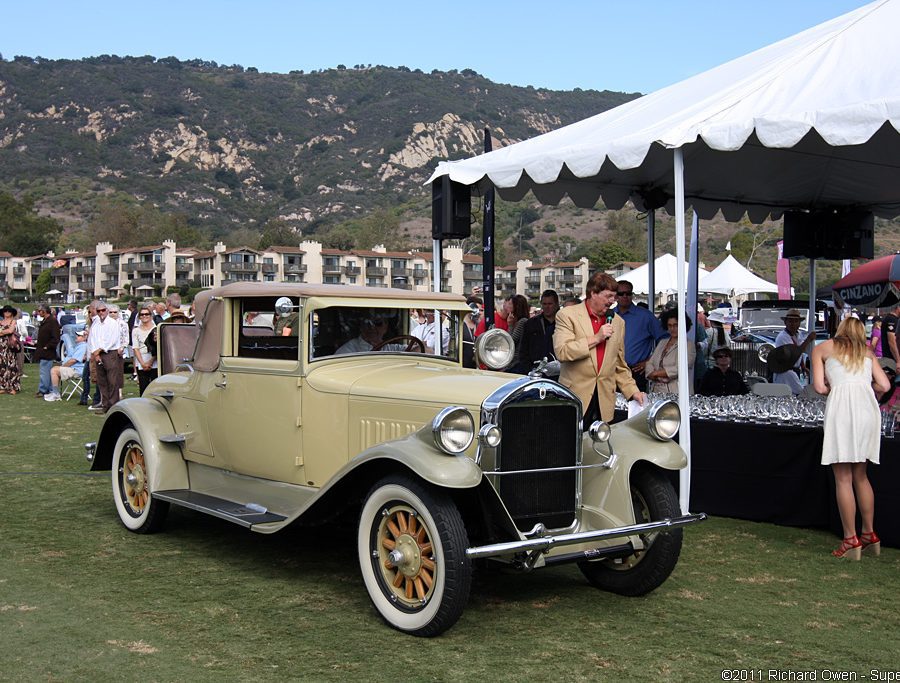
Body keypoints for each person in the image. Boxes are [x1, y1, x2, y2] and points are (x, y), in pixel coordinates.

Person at [811, 317, 890, 560]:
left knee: (843, 477)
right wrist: (865, 388)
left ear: (839, 330)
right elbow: (885, 385)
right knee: (861, 475)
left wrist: (834, 385)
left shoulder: (822, 349)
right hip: (867, 409)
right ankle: (869, 534)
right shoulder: (867, 353)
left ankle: (850, 539)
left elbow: (819, 388)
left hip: (842, 409)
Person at [553, 272, 645, 428]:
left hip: (604, 402)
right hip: (575, 398)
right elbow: (562, 351)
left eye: (614, 297)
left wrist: (633, 391)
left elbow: (619, 365)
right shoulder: (567, 315)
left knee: (600, 447)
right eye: (608, 296)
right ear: (593, 294)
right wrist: (596, 338)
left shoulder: (618, 322)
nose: (612, 301)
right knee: (571, 448)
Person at [614, 280, 666, 392]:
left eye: (628, 293)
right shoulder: (609, 315)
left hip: (636, 371)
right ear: (615, 295)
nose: (625, 296)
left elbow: (664, 339)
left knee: (636, 407)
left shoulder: (645, 316)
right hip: (613, 370)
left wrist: (650, 360)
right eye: (621, 293)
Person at [644, 308, 696, 394]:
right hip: (656, 391)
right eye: (670, 325)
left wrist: (656, 374)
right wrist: (652, 374)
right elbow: (650, 362)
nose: (672, 328)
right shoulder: (662, 342)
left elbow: (680, 368)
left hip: (677, 393)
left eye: (676, 325)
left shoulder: (688, 345)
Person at [513, 289, 560, 375]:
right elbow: (523, 350)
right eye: (544, 304)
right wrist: (528, 369)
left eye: (550, 304)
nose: (547, 307)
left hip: (559, 371)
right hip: (536, 371)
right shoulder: (531, 324)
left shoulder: (564, 322)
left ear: (556, 304)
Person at [88, 300, 123, 414]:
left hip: (110, 353)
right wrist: (95, 353)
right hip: (98, 354)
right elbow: (93, 339)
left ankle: (113, 406)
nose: (101, 313)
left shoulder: (113, 323)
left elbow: (112, 340)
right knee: (102, 381)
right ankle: (105, 405)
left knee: (112, 381)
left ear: (107, 311)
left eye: (103, 310)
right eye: (99, 311)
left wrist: (100, 350)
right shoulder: (96, 324)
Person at [772, 308, 815, 391]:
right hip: (785, 372)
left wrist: (803, 366)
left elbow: (800, 352)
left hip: (794, 371)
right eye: (790, 321)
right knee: (800, 395)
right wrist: (809, 339)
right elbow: (796, 352)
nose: (793, 324)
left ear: (799, 323)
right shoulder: (783, 337)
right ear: (785, 322)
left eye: (796, 321)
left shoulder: (797, 335)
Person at [44, 328, 88, 401]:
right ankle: (55, 392)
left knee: (54, 370)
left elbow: (73, 360)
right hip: (75, 369)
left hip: (77, 370)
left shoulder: (83, 346)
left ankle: (55, 394)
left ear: (84, 338)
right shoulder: (80, 346)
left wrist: (62, 367)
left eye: (79, 336)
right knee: (55, 369)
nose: (76, 337)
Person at [33, 303, 61, 398]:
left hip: (47, 351)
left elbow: (56, 337)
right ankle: (47, 389)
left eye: (39, 311)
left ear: (45, 311)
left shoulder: (52, 321)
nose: (38, 312)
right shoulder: (45, 321)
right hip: (43, 349)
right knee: (46, 371)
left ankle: (43, 389)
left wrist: (48, 346)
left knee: (44, 371)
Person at [131, 305, 157, 396]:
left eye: (146, 314)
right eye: (142, 315)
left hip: (154, 359)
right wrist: (142, 363)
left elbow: (158, 347)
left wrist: (151, 361)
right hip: (141, 359)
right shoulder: (136, 331)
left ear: (150, 315)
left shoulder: (156, 329)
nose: (144, 316)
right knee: (143, 387)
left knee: (155, 387)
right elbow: (135, 348)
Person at [0, 304, 23, 395]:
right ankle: (3, 386)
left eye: (9, 311)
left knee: (12, 366)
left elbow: (10, 331)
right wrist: (3, 332)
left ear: (12, 313)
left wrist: (1, 332)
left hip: (10, 347)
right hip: (1, 348)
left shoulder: (13, 321)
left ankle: (14, 387)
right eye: (5, 311)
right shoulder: (1, 321)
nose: (7, 312)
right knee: (2, 366)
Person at [504, 294, 530, 369]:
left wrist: (510, 325)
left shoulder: (522, 322)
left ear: (517, 306)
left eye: (510, 304)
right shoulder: (517, 321)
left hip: (516, 362)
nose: (507, 306)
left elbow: (511, 341)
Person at [462, 295, 482, 369]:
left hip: (476, 367)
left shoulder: (479, 325)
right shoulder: (460, 325)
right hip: (463, 366)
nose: (479, 312)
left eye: (481, 310)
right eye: (477, 309)